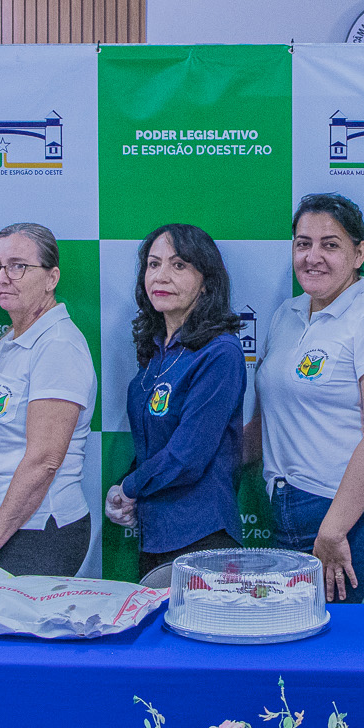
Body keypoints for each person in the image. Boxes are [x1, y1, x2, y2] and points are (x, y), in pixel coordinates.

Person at [247, 194, 364, 601]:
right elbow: (267, 421)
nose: (313, 256)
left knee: (357, 655)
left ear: (359, 253)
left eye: (330, 244)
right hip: (291, 511)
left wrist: (334, 527)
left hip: (362, 521)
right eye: (303, 243)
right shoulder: (286, 315)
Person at [107, 224, 246, 576]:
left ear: (207, 280)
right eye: (153, 265)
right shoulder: (157, 353)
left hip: (202, 537)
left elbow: (188, 457)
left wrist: (130, 486)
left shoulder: (220, 352)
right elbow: (155, 445)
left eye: (179, 265)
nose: (161, 276)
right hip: (154, 536)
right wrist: (127, 491)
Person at [0, 223, 96, 581]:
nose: (2, 277)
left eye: (18, 266)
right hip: (8, 527)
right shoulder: (16, 340)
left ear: (51, 278)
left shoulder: (58, 346)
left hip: (39, 530)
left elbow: (44, 461)